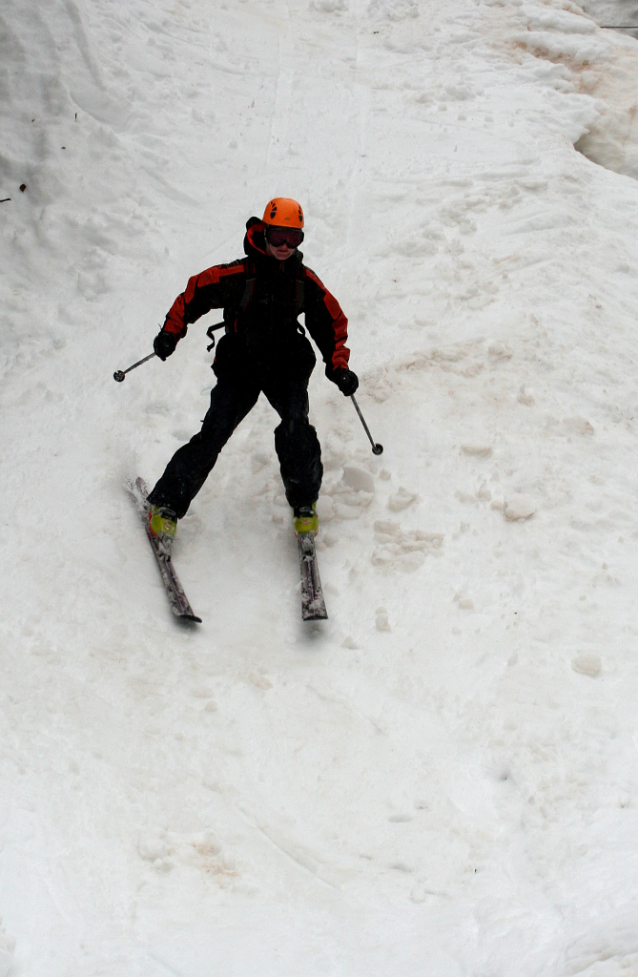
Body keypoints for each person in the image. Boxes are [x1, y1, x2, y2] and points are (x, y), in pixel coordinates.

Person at [146, 197, 358, 553]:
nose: (284, 247)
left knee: (296, 426)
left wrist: (339, 366)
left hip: (285, 367)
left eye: (294, 239)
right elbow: (195, 292)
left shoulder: (303, 281)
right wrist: (171, 332)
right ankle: (166, 504)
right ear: (264, 233)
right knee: (214, 433)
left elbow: (331, 323)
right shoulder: (239, 275)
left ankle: (304, 504)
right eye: (278, 237)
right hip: (240, 366)